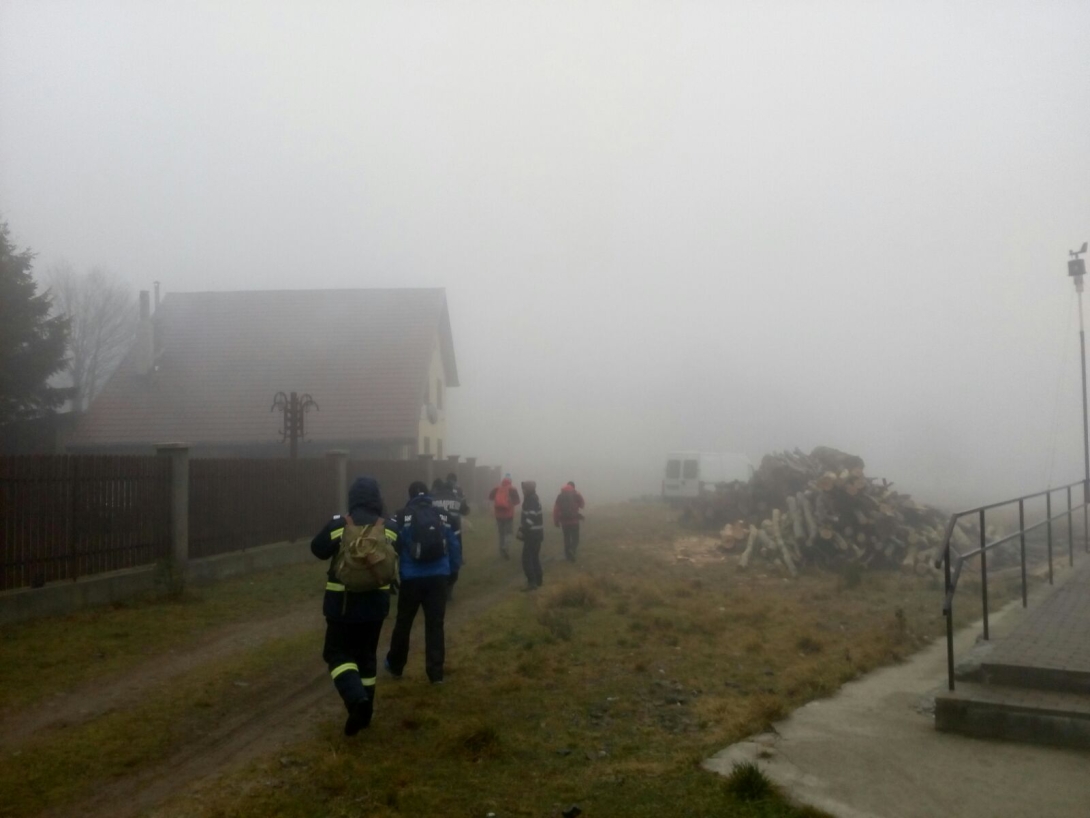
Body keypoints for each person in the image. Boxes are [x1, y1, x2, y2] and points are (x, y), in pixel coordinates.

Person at [310, 476, 396, 735]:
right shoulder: (388, 526)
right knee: (367, 656)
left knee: (336, 654)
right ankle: (366, 712)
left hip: (342, 606)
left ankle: (355, 699)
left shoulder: (340, 524)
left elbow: (317, 549)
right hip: (375, 605)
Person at [385, 481, 462, 684]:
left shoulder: (401, 516)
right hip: (438, 578)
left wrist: (390, 575)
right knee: (435, 625)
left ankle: (396, 666)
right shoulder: (443, 516)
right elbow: (454, 545)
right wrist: (453, 571)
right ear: (428, 495)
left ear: (410, 495)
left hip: (411, 578)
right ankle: (436, 674)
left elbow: (390, 546)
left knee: (403, 623)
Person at [431, 477, 465, 601]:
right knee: (454, 561)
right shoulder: (457, 499)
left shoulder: (433, 500)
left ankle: (439, 589)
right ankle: (449, 591)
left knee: (438, 560)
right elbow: (465, 510)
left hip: (436, 534)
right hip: (454, 534)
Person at [517, 480, 544, 590]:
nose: (522, 491)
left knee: (526, 559)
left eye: (524, 488)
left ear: (528, 489)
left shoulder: (531, 500)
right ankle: (538, 580)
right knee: (534, 558)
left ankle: (531, 582)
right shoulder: (533, 498)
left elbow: (531, 517)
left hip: (532, 535)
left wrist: (522, 530)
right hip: (537, 534)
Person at [488, 474, 520, 560]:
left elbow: (490, 497)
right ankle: (506, 547)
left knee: (501, 533)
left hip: (498, 515)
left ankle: (501, 552)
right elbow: (517, 501)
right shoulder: (512, 489)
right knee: (508, 533)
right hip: (508, 514)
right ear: (510, 481)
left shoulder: (497, 488)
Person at [553, 481, 586, 562]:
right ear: (573, 487)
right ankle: (572, 550)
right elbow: (582, 505)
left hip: (564, 522)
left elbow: (556, 509)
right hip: (574, 521)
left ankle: (568, 556)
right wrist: (579, 494)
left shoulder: (560, 496)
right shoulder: (576, 495)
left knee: (566, 539)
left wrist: (556, 520)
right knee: (575, 539)